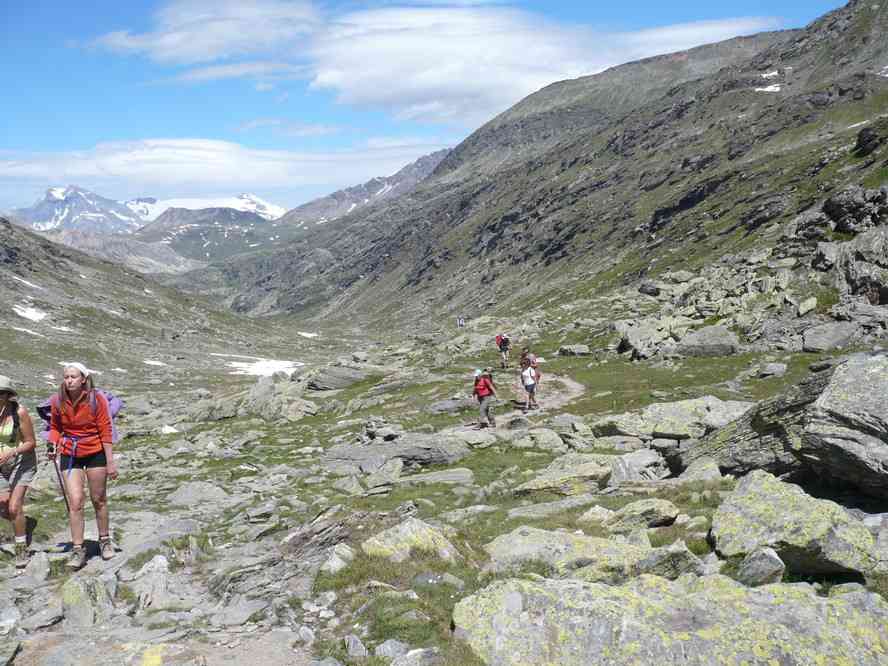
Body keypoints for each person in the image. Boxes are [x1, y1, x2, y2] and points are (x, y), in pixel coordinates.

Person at [47, 363, 118, 569]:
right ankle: (78, 549)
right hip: (70, 453)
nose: (69, 381)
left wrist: (110, 462)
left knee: (99, 499)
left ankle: (104, 541)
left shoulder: (96, 399)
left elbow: (105, 430)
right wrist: (52, 444)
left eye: (73, 377)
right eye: (66, 377)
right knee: (76, 501)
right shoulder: (58, 400)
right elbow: (55, 427)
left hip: (95, 451)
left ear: (83, 379)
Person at [0, 376, 38, 569]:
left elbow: (31, 442)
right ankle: (24, 523)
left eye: (1, 393)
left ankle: (21, 548)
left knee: (14, 506)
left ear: (8, 395)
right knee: (5, 507)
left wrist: (12, 451)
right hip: (1, 466)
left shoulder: (19, 412)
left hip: (22, 462)